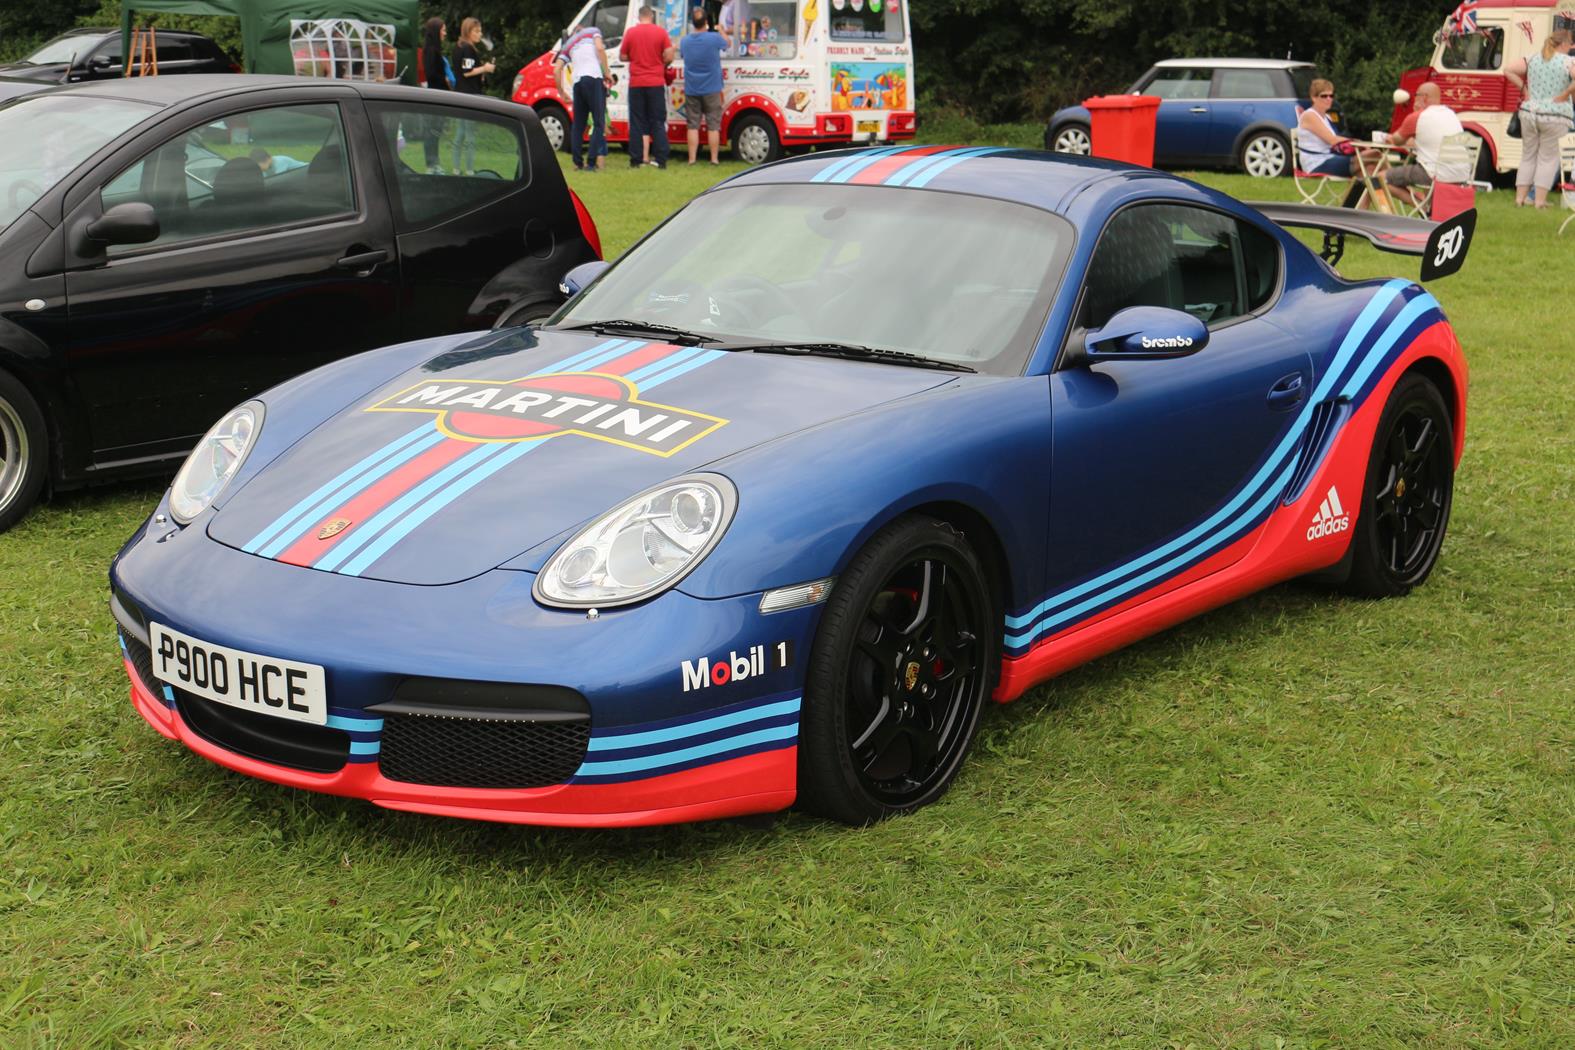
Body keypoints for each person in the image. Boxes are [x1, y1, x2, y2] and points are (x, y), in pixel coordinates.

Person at [1506, 29, 1575, 208]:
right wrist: (1565, 93)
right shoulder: (1568, 61)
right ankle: (1539, 201)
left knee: (1527, 156)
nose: (1571, 47)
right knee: (1548, 159)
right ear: (1564, 44)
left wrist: (1525, 91)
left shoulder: (1533, 58)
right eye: (1570, 44)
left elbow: (1508, 70)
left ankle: (1520, 199)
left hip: (1529, 113)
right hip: (1555, 115)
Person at [1297, 78, 1388, 208]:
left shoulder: (1326, 117)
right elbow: (1332, 140)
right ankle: (1397, 183)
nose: (1329, 99)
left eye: (1331, 95)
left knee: (1370, 170)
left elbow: (1337, 140)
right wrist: (1357, 142)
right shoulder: (1309, 115)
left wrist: (1356, 143)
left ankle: (1355, 212)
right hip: (1316, 163)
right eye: (1324, 96)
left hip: (1330, 157)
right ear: (1314, 97)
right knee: (1376, 155)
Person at [1384, 82, 1466, 208]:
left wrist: (1388, 137)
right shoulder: (1450, 114)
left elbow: (1396, 140)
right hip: (1460, 174)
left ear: (1424, 97)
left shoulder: (1418, 116)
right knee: (1425, 169)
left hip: (1435, 174)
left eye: (1416, 95)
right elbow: (1427, 142)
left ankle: (1422, 207)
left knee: (1380, 178)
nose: (1414, 99)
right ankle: (1429, 209)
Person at [620, 6, 676, 168]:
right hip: (655, 82)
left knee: (637, 122)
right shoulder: (660, 32)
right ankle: (661, 159)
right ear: (651, 16)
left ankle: (636, 160)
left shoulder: (631, 33)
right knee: (657, 121)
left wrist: (634, 57)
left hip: (636, 83)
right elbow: (669, 55)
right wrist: (660, 61)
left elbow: (622, 56)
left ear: (639, 17)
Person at [556, 24, 612, 172]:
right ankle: (591, 163)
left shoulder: (569, 44)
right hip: (593, 78)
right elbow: (600, 48)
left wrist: (561, 92)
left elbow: (557, 68)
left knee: (578, 125)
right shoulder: (593, 31)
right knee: (599, 123)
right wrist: (607, 72)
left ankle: (577, 163)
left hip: (578, 83)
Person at [679, 7, 727, 165]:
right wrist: (722, 30)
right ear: (706, 22)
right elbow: (727, 43)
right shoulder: (714, 38)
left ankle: (692, 159)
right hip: (712, 88)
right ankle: (714, 159)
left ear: (692, 23)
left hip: (692, 88)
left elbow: (682, 55)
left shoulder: (685, 41)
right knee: (713, 126)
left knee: (693, 125)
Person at [451, 17, 496, 176]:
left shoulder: (459, 47)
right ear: (468, 32)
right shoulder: (468, 49)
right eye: (477, 31)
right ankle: (469, 170)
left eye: (480, 31)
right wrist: (485, 68)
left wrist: (480, 73)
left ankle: (456, 168)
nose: (480, 34)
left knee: (460, 133)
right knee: (469, 135)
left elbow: (463, 72)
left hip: (460, 93)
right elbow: (467, 72)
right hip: (469, 96)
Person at [419, 18, 449, 174]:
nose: (445, 33)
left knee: (435, 131)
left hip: (438, 94)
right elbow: (431, 74)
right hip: (435, 95)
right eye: (443, 30)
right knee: (432, 131)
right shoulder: (432, 51)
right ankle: (431, 164)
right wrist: (444, 80)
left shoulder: (433, 49)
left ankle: (434, 163)